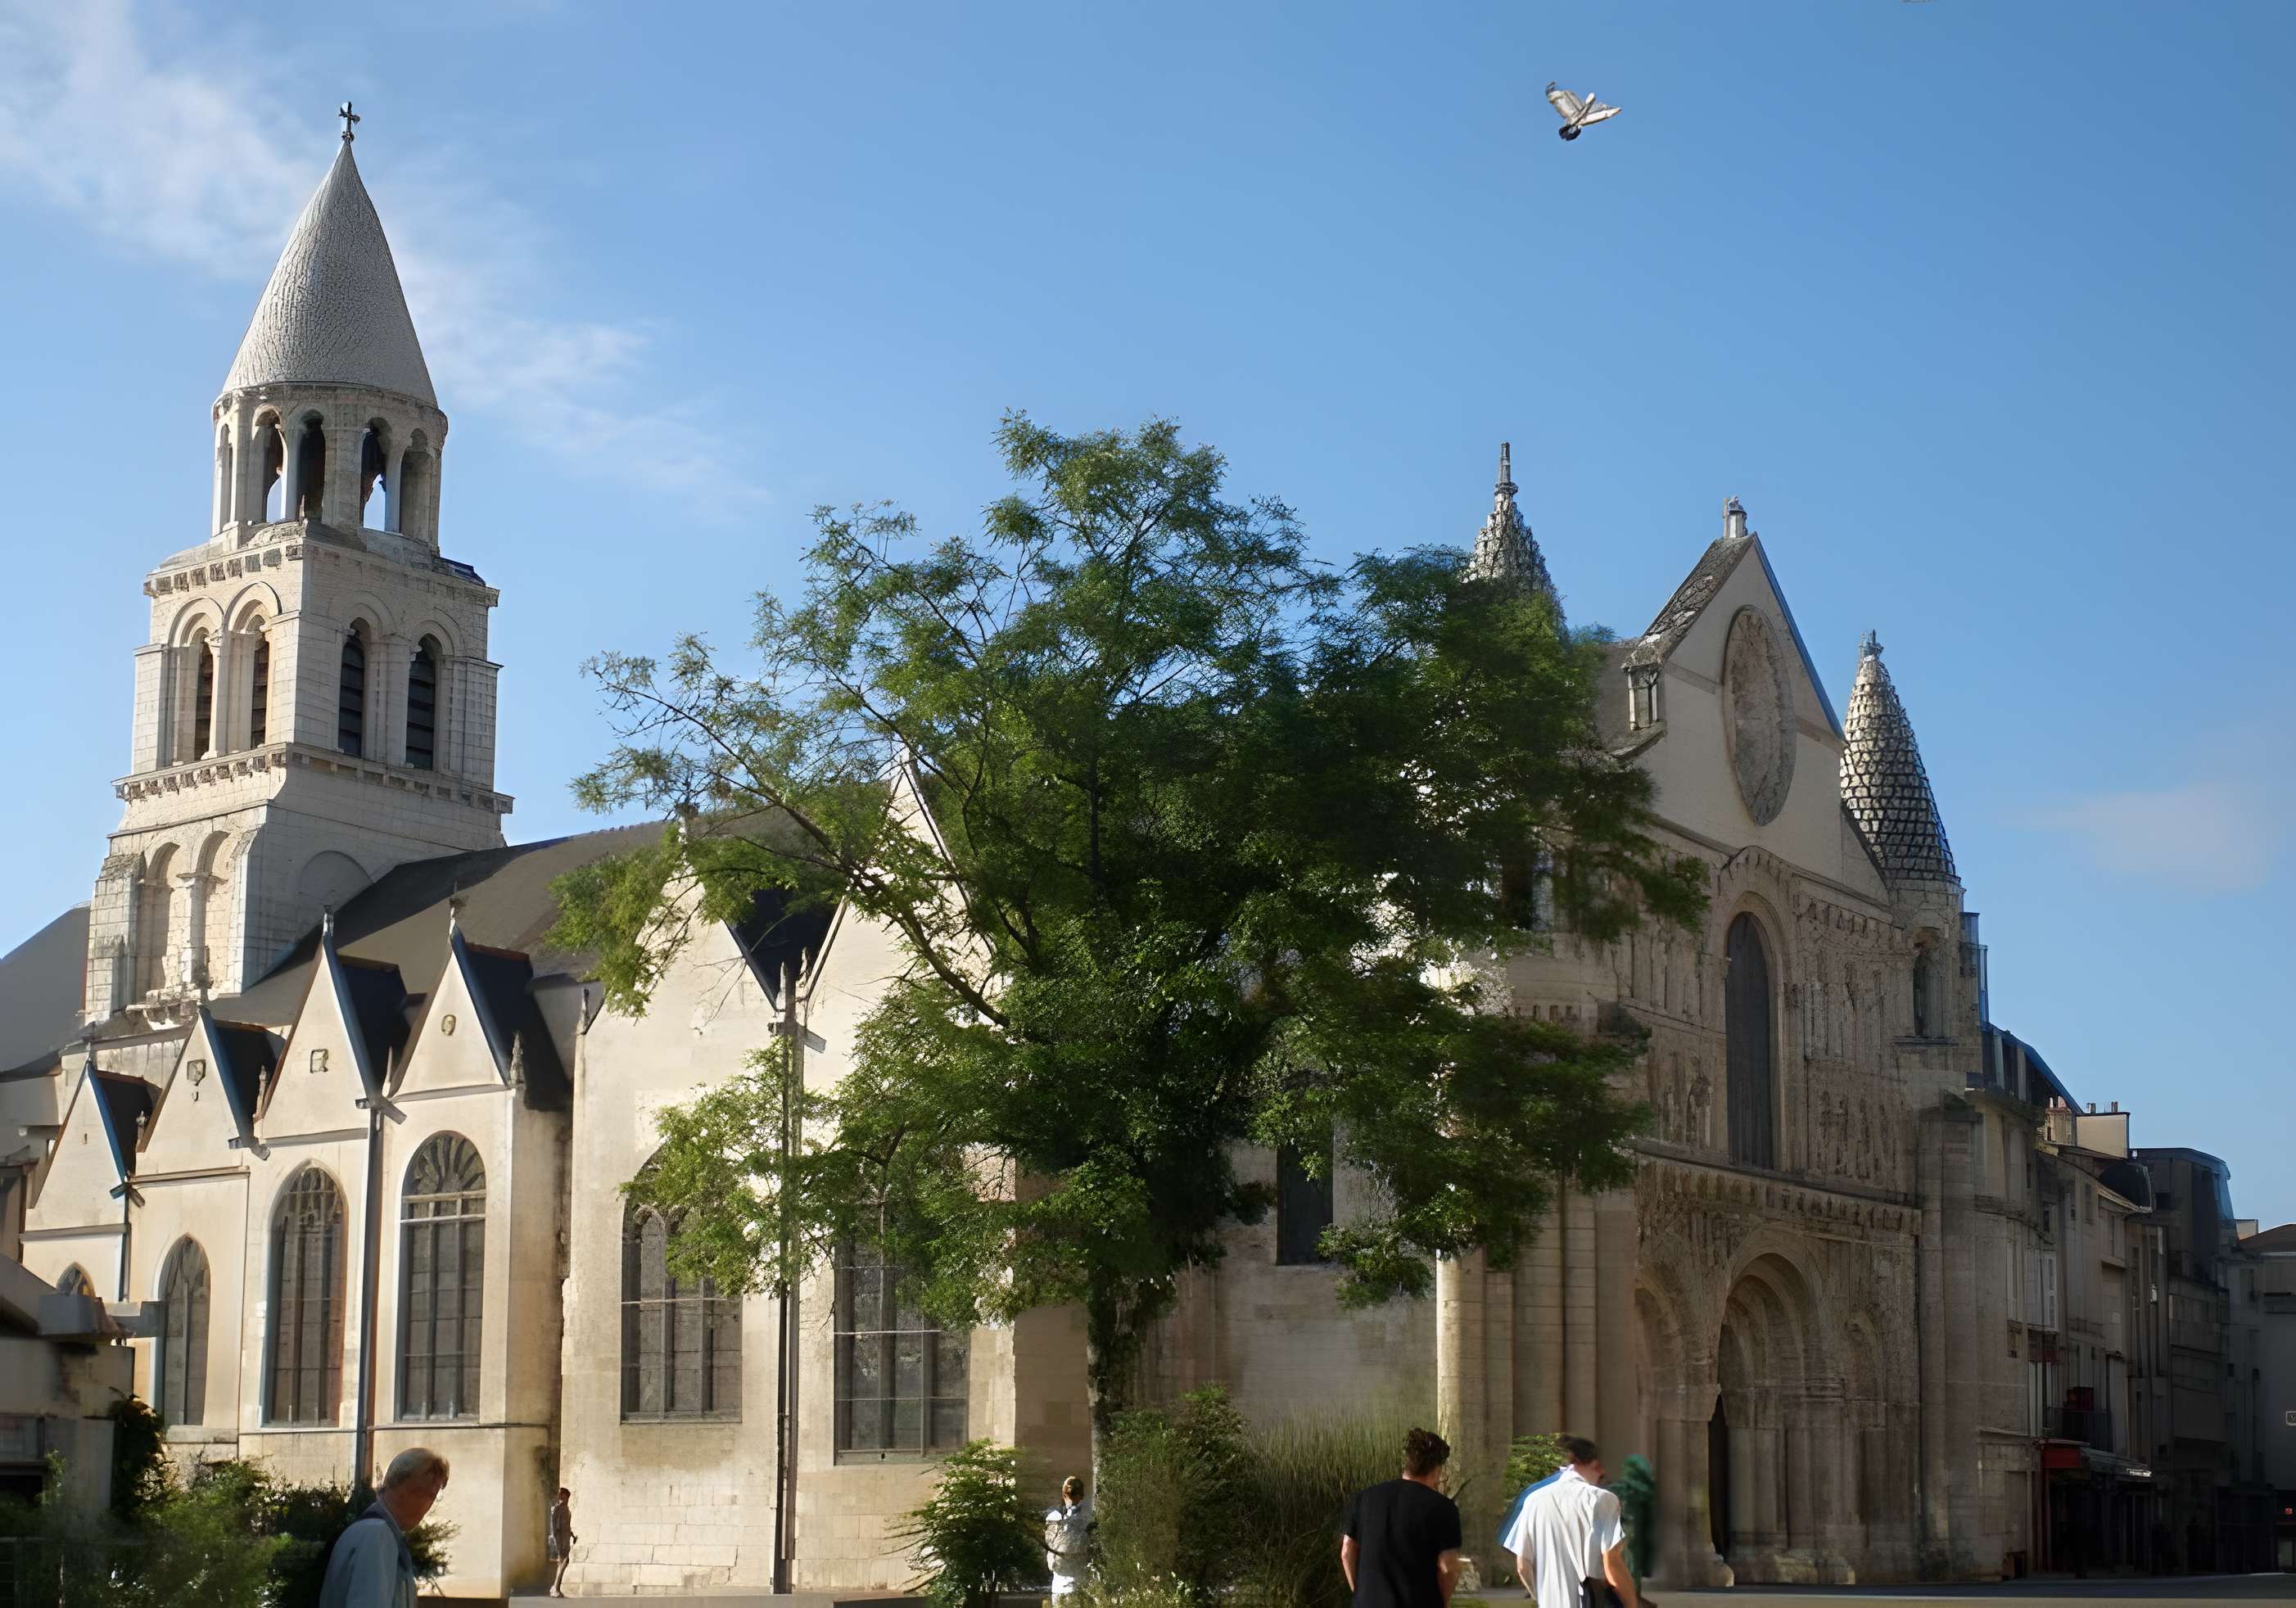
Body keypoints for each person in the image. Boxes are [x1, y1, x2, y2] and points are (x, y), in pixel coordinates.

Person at [1503, 1436, 1638, 1608]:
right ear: (1594, 1464)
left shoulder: (1533, 1501)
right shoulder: (1602, 1499)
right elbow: (1612, 1563)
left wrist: (1540, 1597)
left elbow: (1523, 1565)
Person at [1340, 1428, 1463, 1608]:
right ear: (1437, 1470)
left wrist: (1359, 1592)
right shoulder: (1442, 1507)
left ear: (1407, 1464)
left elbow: (1347, 1550)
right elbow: (1448, 1568)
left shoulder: (1365, 1498)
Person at [319, 1447, 450, 1608]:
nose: (429, 1505)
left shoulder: (371, 1529)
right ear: (410, 1491)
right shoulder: (377, 1535)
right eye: (432, 1495)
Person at [1045, 1475, 1092, 1597]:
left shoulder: (1087, 1518)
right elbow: (1050, 1545)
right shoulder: (1055, 1517)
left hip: (1077, 1582)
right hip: (1063, 1582)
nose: (1072, 1501)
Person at [547, 1486, 576, 1597]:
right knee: (564, 1561)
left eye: (567, 1497)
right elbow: (556, 1527)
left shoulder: (565, 1509)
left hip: (566, 1538)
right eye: (565, 1497)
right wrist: (556, 1541)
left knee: (563, 1562)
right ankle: (555, 1587)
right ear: (562, 1497)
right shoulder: (559, 1509)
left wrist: (572, 1536)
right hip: (561, 1539)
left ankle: (555, 1588)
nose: (567, 1499)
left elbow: (567, 1526)